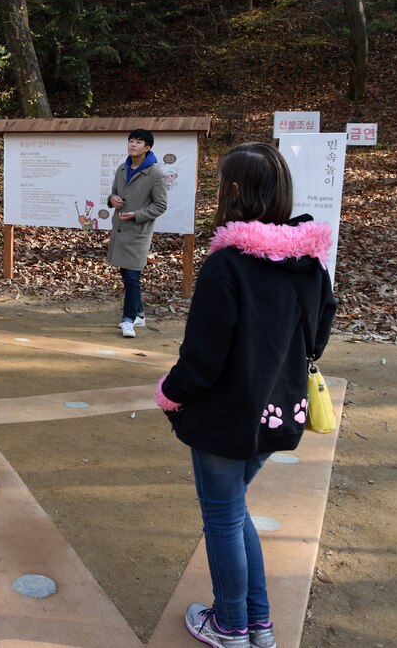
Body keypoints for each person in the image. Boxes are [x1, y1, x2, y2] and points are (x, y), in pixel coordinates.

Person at [155, 143, 336, 648]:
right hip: (278, 412)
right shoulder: (309, 263)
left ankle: (231, 626)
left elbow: (203, 358)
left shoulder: (227, 265)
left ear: (232, 193)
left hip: (224, 418)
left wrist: (170, 393)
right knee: (234, 512)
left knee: (221, 515)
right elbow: (316, 339)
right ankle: (257, 625)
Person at [108, 129, 167, 338]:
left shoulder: (155, 174)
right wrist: (112, 199)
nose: (133, 144)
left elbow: (160, 205)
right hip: (120, 229)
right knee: (127, 274)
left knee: (132, 275)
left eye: (139, 142)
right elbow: (114, 192)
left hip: (139, 232)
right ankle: (139, 313)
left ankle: (128, 320)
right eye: (131, 140)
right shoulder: (122, 170)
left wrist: (137, 214)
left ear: (147, 148)